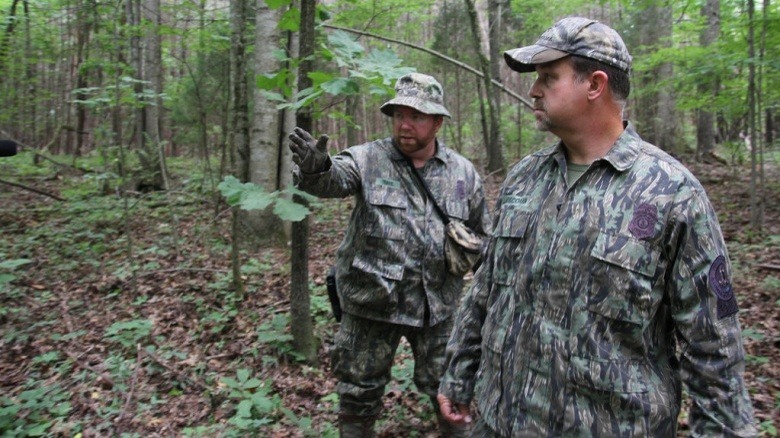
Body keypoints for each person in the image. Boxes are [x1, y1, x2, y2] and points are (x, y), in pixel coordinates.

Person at [437, 16, 757, 437]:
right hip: (502, 422)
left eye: (549, 77)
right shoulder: (524, 178)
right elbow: (486, 289)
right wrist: (459, 373)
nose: (533, 90)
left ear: (595, 85)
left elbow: (714, 348)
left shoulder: (672, 194)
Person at [288, 72, 491, 437]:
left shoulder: (463, 173)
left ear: (438, 121)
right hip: (372, 306)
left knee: (450, 392)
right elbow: (333, 179)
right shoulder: (368, 159)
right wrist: (316, 166)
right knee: (357, 396)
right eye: (399, 115)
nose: (405, 124)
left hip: (437, 309)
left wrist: (471, 252)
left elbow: (484, 235)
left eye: (416, 116)